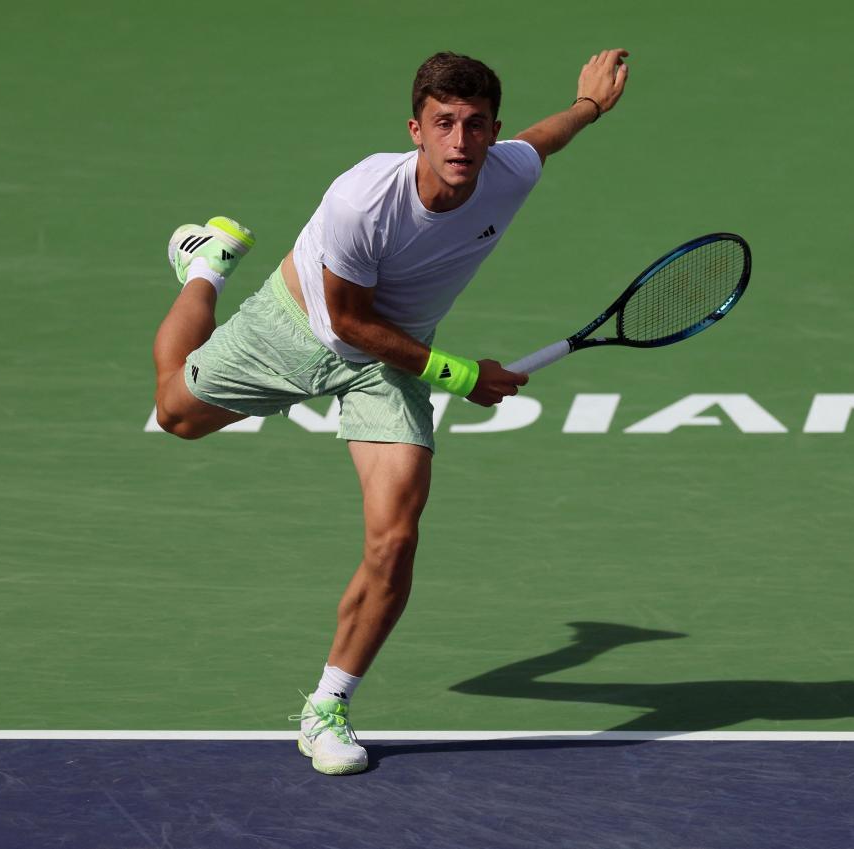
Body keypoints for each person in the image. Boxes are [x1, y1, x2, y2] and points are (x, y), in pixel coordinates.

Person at [151, 49, 630, 775]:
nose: (461, 142)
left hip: (393, 360)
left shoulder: (510, 170)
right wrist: (460, 374)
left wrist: (589, 106)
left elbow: (545, 138)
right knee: (175, 412)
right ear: (416, 129)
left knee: (395, 539)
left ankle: (327, 705)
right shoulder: (362, 200)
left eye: (476, 125)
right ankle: (206, 267)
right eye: (444, 123)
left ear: (492, 128)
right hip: (300, 326)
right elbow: (348, 322)